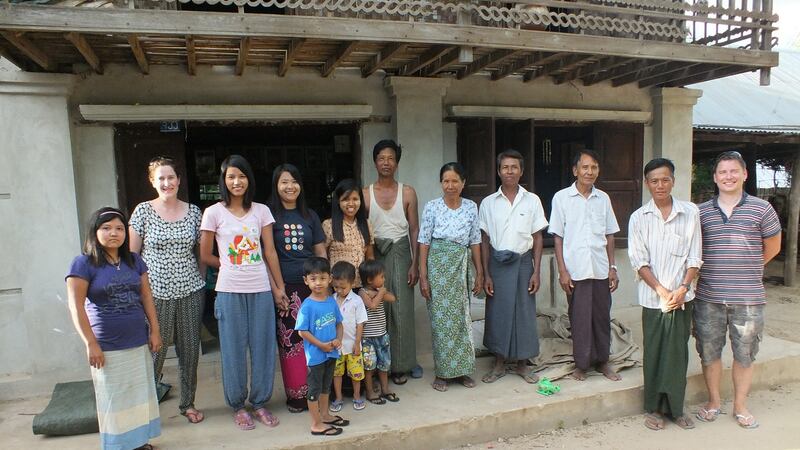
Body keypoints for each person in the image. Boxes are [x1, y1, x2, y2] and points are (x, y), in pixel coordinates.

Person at [199, 154, 289, 430]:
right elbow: (205, 254)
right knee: (233, 349)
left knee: (263, 348)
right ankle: (238, 405)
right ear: (224, 181)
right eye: (231, 177)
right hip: (228, 291)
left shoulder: (261, 211)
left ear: (249, 179)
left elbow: (269, 252)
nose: (237, 181)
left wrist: (279, 287)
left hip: (260, 288)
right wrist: (227, 263)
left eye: (241, 176)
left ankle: (260, 402)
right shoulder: (213, 212)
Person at [693, 151, 781, 429]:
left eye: (733, 171)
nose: (728, 176)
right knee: (709, 352)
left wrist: (748, 266)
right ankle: (714, 402)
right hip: (708, 297)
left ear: (744, 175)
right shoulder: (702, 212)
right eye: (722, 172)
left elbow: (774, 246)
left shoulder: (762, 209)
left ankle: (741, 406)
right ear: (715, 177)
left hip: (749, 298)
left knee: (745, 354)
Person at [66, 207, 162, 450]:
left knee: (138, 395)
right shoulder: (83, 264)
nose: (114, 233)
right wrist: (91, 343)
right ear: (94, 231)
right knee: (114, 399)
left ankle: (139, 442)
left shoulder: (134, 260)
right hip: (106, 346)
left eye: (119, 228)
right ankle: (119, 446)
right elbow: (76, 306)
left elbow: (147, 296)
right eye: (106, 228)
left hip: (137, 340)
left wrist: (155, 330)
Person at [128, 157, 206, 424]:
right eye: (160, 178)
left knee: (189, 351)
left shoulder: (194, 212)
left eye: (171, 177)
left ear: (179, 180)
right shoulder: (142, 211)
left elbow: (201, 252)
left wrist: (201, 283)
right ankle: (145, 410)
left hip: (190, 290)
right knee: (155, 351)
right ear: (152, 182)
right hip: (154, 294)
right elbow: (132, 256)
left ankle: (188, 403)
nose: (166, 182)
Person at [628, 158, 702, 431]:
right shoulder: (639, 217)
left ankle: (676, 409)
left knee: (678, 354)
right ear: (647, 184)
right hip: (653, 300)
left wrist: (682, 288)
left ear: (673, 180)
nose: (660, 185)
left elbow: (695, 256)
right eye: (654, 180)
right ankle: (655, 409)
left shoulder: (689, 212)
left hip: (683, 299)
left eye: (665, 179)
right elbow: (639, 261)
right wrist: (661, 291)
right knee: (656, 353)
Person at [549, 149, 622, 382]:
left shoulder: (604, 199)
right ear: (575, 170)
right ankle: (581, 364)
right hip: (575, 270)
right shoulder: (561, 198)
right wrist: (562, 270)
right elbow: (557, 237)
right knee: (579, 319)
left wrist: (613, 268)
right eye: (585, 167)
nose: (589, 172)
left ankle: (602, 361)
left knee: (601, 317)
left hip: (600, 269)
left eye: (594, 168)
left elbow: (610, 235)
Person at [479, 150, 548, 384]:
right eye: (505, 167)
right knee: (498, 312)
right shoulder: (489, 203)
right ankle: (499, 362)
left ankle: (522, 364)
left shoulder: (532, 200)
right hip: (497, 264)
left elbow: (538, 237)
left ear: (521, 171)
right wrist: (486, 273)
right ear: (498, 171)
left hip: (523, 263)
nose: (510, 171)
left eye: (514, 167)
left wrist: (536, 271)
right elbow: (484, 240)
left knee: (524, 313)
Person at [418, 162, 483, 392]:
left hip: (461, 267)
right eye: (446, 181)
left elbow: (475, 240)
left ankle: (463, 370)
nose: (450, 185)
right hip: (438, 268)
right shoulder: (432, 207)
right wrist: (423, 276)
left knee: (462, 320)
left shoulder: (471, 207)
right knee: (441, 321)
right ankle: (443, 373)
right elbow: (424, 242)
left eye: (455, 180)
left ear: (463, 183)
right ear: (441, 183)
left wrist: (479, 273)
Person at [363, 139, 423, 384]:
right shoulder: (365, 194)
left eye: (390, 158)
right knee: (377, 310)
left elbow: (415, 230)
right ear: (374, 161)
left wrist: (415, 263)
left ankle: (403, 364)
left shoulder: (407, 192)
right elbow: (363, 231)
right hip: (375, 254)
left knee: (401, 310)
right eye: (381, 158)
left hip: (401, 252)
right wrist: (368, 263)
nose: (386, 162)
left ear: (397, 162)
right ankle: (378, 367)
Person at [268, 164, 327, 413]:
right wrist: (276, 289)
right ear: (276, 186)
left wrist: (326, 285)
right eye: (284, 182)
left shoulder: (310, 215)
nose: (290, 186)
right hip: (286, 288)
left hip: (312, 287)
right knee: (291, 342)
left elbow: (320, 251)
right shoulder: (269, 215)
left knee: (317, 340)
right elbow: (265, 254)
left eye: (294, 181)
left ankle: (319, 394)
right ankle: (297, 396)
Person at [295, 257, 347, 436]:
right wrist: (321, 345)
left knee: (326, 387)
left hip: (330, 353)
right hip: (316, 356)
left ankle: (324, 415)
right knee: (314, 390)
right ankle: (316, 424)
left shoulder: (331, 301)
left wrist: (338, 339)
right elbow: (302, 331)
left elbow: (339, 323)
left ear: (329, 278)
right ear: (306, 280)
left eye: (323, 278)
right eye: (313, 278)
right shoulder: (307, 306)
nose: (318, 283)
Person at [358, 259, 399, 404]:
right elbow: (373, 305)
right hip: (367, 338)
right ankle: (369, 392)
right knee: (369, 367)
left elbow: (392, 298)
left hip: (382, 335)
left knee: (384, 364)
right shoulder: (362, 293)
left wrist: (379, 292)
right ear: (369, 279)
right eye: (381, 277)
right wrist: (380, 293)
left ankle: (385, 389)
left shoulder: (377, 291)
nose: (384, 279)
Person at [329, 261, 368, 412]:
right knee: (336, 373)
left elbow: (360, 323)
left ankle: (357, 396)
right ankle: (338, 397)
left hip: (352, 345)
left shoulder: (357, 301)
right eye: (336, 287)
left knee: (356, 374)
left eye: (343, 287)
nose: (339, 290)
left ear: (352, 282)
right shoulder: (331, 300)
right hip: (336, 346)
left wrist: (357, 343)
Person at [322, 178, 374, 288]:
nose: (351, 203)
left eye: (355, 199)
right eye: (345, 199)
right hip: (337, 287)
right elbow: (323, 258)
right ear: (338, 201)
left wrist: (371, 283)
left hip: (361, 287)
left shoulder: (367, 225)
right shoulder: (328, 225)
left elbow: (370, 257)